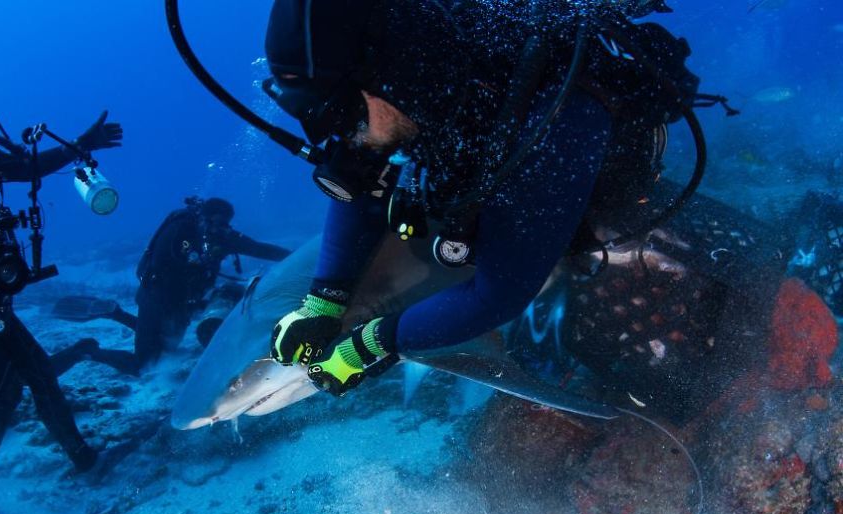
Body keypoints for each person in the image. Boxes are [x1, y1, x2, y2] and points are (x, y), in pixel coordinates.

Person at [263, 0, 700, 395]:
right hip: (485, 151)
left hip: (579, 171)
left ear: (391, 76)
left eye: (344, 113)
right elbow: (363, 186)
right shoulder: (418, 88)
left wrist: (372, 344)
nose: (345, 137)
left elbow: (498, 297)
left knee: (559, 247)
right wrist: (323, 300)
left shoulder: (551, 117)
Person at [0, 87, 127, 510]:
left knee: (40, 375)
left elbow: (33, 166)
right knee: (4, 391)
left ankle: (86, 461)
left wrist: (83, 144)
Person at [57, 197, 290, 375]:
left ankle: (115, 313)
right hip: (156, 298)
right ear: (202, 218)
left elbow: (260, 249)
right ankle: (87, 351)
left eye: (225, 224)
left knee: (166, 350)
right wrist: (195, 267)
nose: (220, 229)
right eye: (216, 222)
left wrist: (302, 256)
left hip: (183, 303)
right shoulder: (180, 231)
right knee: (144, 365)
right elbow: (161, 267)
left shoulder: (222, 238)